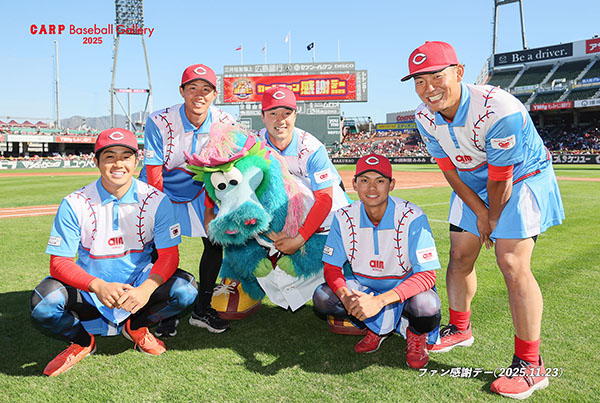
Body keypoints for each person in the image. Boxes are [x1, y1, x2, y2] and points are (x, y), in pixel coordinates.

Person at [402, 41, 565, 398]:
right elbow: (450, 171)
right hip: (472, 179)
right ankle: (460, 329)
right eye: (419, 81)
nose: (428, 88)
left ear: (459, 72)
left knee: (511, 261)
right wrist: (479, 213)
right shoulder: (424, 116)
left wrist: (492, 221)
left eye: (437, 77)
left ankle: (531, 365)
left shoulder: (499, 109)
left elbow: (501, 180)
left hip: (521, 176)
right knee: (459, 254)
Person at [30, 128, 198, 377]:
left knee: (186, 290)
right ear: (96, 161)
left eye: (126, 156)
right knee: (43, 304)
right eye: (109, 156)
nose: (118, 164)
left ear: (136, 161)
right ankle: (83, 341)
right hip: (90, 290)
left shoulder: (157, 201)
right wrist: (98, 286)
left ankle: (136, 326)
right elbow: (59, 263)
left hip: (137, 286)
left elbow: (169, 256)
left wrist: (145, 290)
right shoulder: (74, 202)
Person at [312, 154, 441, 369]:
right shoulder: (343, 217)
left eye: (380, 181)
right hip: (365, 287)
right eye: (365, 180)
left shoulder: (412, 216)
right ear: (355, 184)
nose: (372, 187)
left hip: (403, 290)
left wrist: (379, 302)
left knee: (426, 306)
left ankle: (415, 334)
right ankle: (374, 328)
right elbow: (332, 267)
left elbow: (427, 275)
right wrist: (347, 298)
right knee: (323, 297)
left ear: (391, 184)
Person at [140, 64, 238, 334]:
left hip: (202, 184)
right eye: (192, 88)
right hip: (162, 184)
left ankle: (202, 309)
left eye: (206, 89)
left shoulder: (224, 122)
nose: (199, 94)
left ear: (215, 94)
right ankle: (164, 309)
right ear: (181, 91)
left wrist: (210, 211)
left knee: (215, 239)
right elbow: (154, 173)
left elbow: (219, 170)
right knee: (160, 244)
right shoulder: (159, 121)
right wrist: (159, 215)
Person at [257, 86, 351, 308]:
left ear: (295, 115)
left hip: (323, 197)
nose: (280, 119)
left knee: (342, 233)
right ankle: (244, 280)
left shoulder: (311, 147)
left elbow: (325, 199)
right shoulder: (254, 144)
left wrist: (298, 239)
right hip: (286, 199)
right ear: (262, 116)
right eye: (273, 113)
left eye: (286, 113)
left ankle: (348, 279)